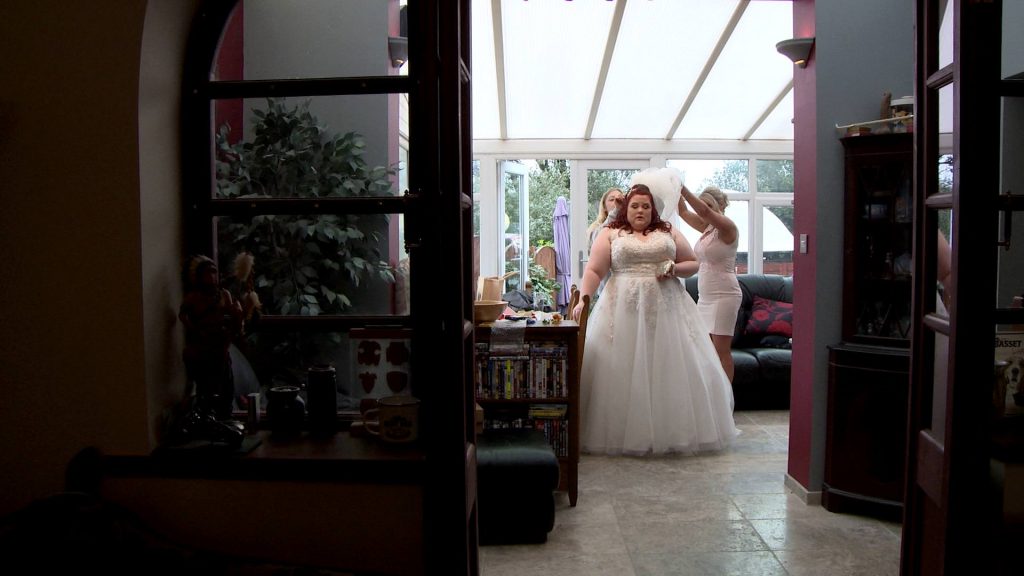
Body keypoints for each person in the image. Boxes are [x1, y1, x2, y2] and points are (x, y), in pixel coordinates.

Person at [572, 183, 739, 456]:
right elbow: (594, 269)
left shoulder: (668, 231)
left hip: (668, 310)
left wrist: (673, 269)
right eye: (635, 205)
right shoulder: (611, 232)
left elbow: (693, 263)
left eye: (646, 206)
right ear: (626, 208)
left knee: (667, 368)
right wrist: (584, 299)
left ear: (653, 210)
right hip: (622, 310)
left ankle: (673, 432)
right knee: (622, 367)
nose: (640, 210)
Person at [677, 185, 742, 382]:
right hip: (706, 297)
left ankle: (725, 402)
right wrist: (673, 189)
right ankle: (712, 394)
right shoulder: (707, 227)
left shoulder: (727, 228)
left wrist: (684, 189)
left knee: (721, 350)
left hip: (725, 295)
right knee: (705, 349)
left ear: (719, 206)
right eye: (701, 204)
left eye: (707, 205)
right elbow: (683, 211)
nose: (701, 210)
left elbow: (702, 211)